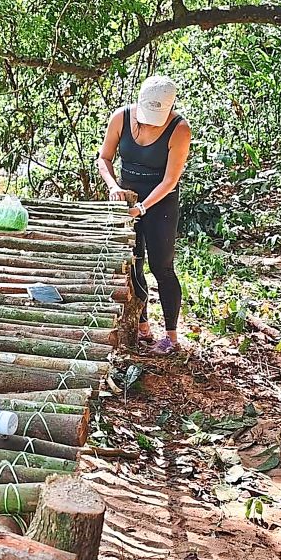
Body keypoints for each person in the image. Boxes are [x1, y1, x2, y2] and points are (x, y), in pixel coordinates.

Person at [97, 74, 191, 354]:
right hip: (126, 199)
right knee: (132, 263)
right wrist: (114, 187)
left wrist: (143, 207)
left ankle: (171, 337)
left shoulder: (179, 129)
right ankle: (142, 326)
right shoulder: (121, 118)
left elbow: (170, 180)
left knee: (162, 266)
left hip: (160, 202)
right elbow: (104, 158)